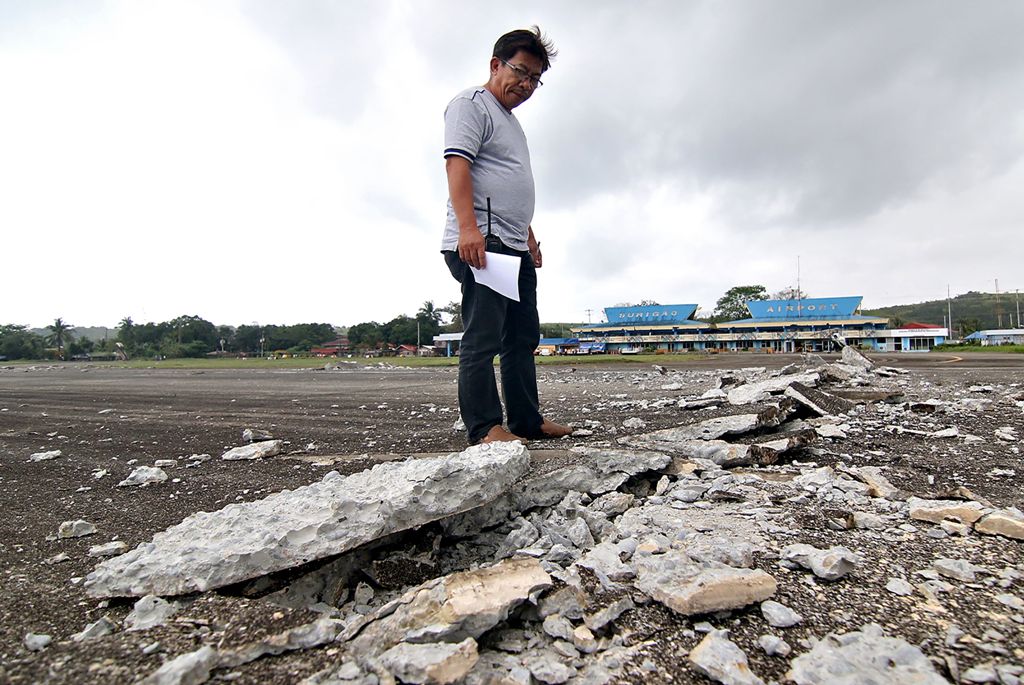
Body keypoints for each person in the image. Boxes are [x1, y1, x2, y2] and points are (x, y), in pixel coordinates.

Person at [441, 26, 573, 446]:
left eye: (535, 78)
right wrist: (469, 229)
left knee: (521, 338)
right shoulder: (471, 105)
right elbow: (457, 165)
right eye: (520, 71)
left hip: (513, 243)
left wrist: (529, 235)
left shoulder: (512, 123)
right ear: (495, 65)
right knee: (483, 337)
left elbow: (509, 181)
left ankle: (526, 421)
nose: (527, 84)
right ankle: (484, 428)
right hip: (486, 242)